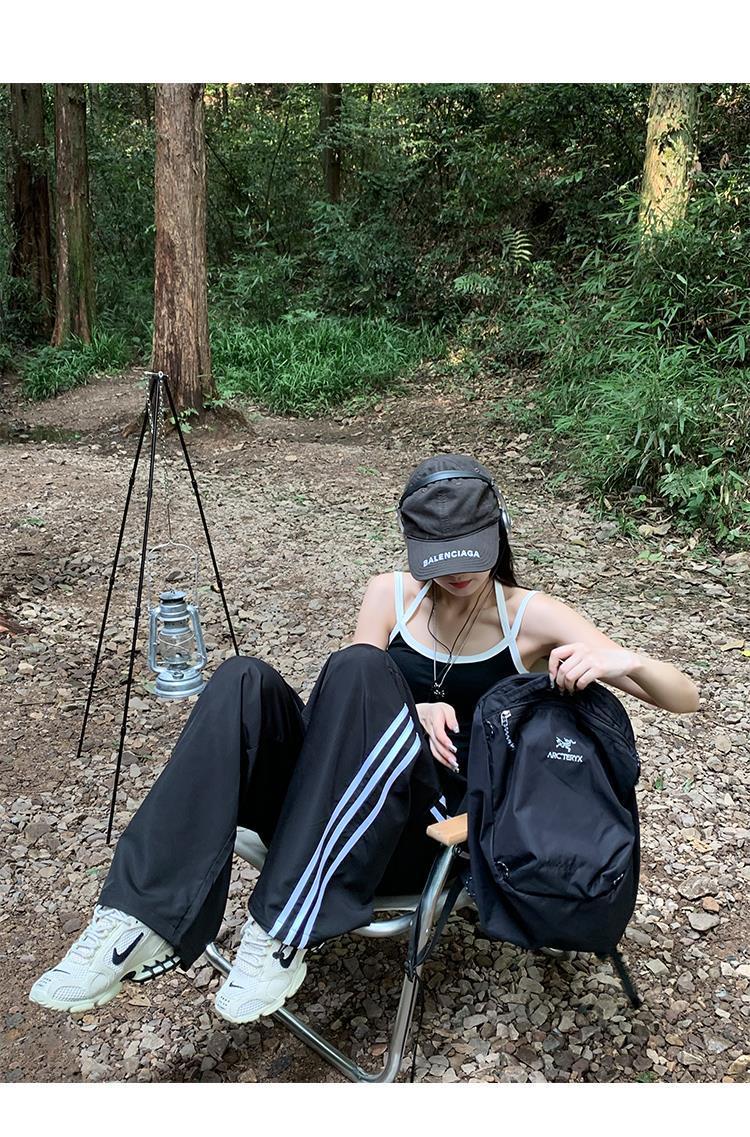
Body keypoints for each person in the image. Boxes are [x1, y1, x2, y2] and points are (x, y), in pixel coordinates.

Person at [29, 453, 700, 1025]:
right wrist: (411, 708)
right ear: (412, 543)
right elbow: (350, 706)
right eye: (439, 555)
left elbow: (685, 697)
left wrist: (624, 660)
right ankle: (133, 919)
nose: (457, 572)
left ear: (497, 533)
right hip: (335, 808)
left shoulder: (532, 617)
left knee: (363, 668)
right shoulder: (389, 595)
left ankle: (284, 927)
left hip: (426, 828)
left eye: (470, 552)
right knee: (244, 678)